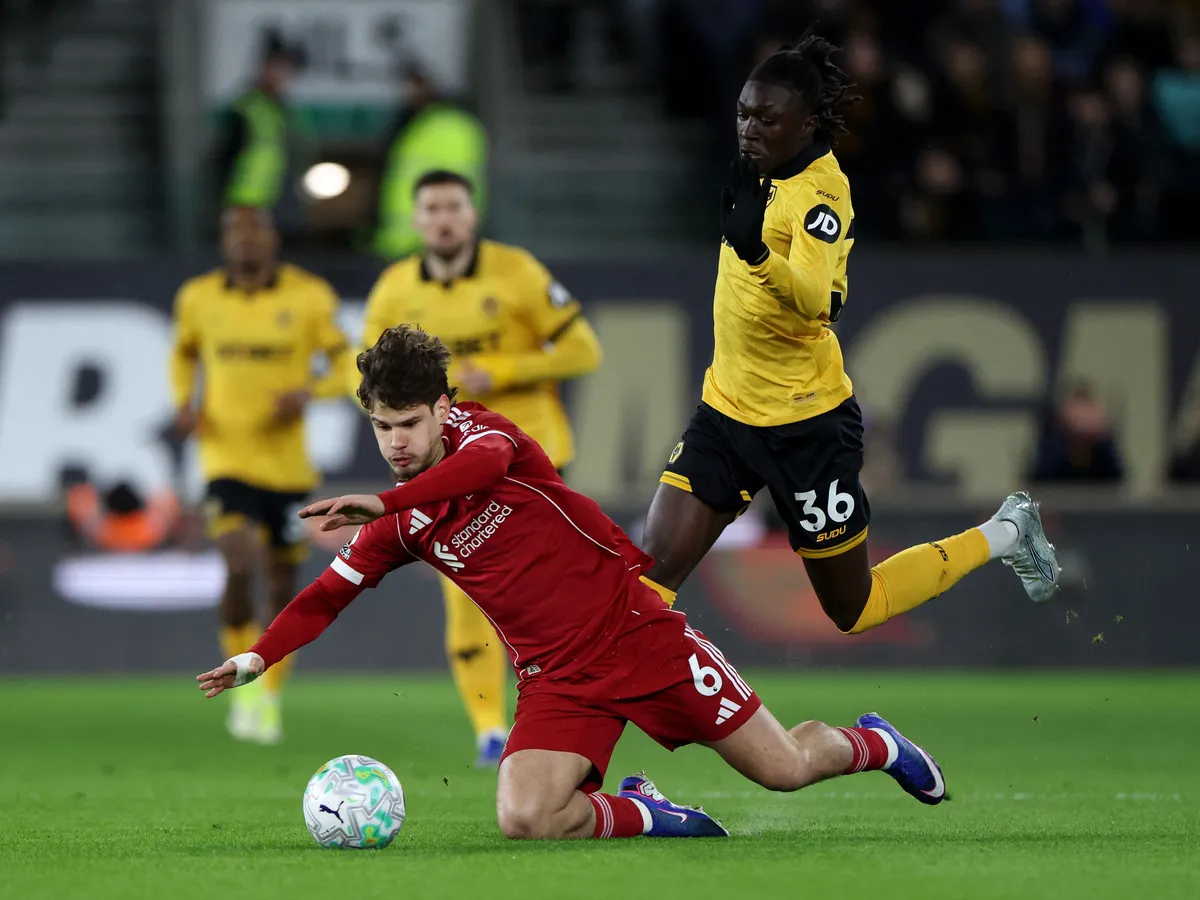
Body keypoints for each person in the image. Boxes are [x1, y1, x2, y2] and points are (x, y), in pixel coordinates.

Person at [197, 325, 949, 841]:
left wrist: (387, 500)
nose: (397, 442)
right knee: (526, 819)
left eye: (410, 423)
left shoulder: (492, 440)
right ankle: (649, 815)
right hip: (557, 679)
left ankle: (873, 744)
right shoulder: (402, 522)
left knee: (783, 769)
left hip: (638, 635)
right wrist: (258, 658)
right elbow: (329, 593)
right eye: (383, 427)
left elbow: (481, 469)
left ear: (444, 410)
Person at [639, 31, 1061, 634]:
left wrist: (756, 250)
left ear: (807, 125)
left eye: (766, 117)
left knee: (853, 608)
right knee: (649, 578)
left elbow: (817, 301)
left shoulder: (821, 194)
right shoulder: (756, 165)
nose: (748, 129)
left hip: (805, 425)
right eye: (743, 113)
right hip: (727, 411)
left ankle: (1005, 532)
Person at [360, 169, 603, 767]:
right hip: (452, 466)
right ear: (416, 220)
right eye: (432, 207)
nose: (444, 217)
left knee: (545, 596)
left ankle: (572, 711)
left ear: (473, 215)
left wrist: (506, 370)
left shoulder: (517, 271)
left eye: (454, 206)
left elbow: (584, 349)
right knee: (466, 595)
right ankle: (491, 730)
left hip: (529, 461)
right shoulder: (393, 290)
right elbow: (366, 382)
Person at [171, 207, 353, 744]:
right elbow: (183, 355)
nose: (245, 241)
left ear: (272, 238)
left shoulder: (309, 296)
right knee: (236, 560)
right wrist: (184, 402)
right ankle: (242, 687)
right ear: (224, 241)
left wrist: (309, 392)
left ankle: (265, 695)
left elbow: (347, 365)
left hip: (288, 468)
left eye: (255, 230)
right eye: (234, 231)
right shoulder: (198, 298)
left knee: (279, 582)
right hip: (224, 458)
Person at [373, 67, 488, 260]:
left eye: (414, 88)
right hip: (415, 236)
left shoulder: (446, 128)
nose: (408, 95)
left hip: (430, 237)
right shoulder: (421, 125)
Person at [215, 33, 314, 228]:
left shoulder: (285, 110)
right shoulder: (245, 108)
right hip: (247, 203)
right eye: (274, 67)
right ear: (262, 67)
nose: (279, 75)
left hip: (282, 203)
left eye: (284, 69)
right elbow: (224, 159)